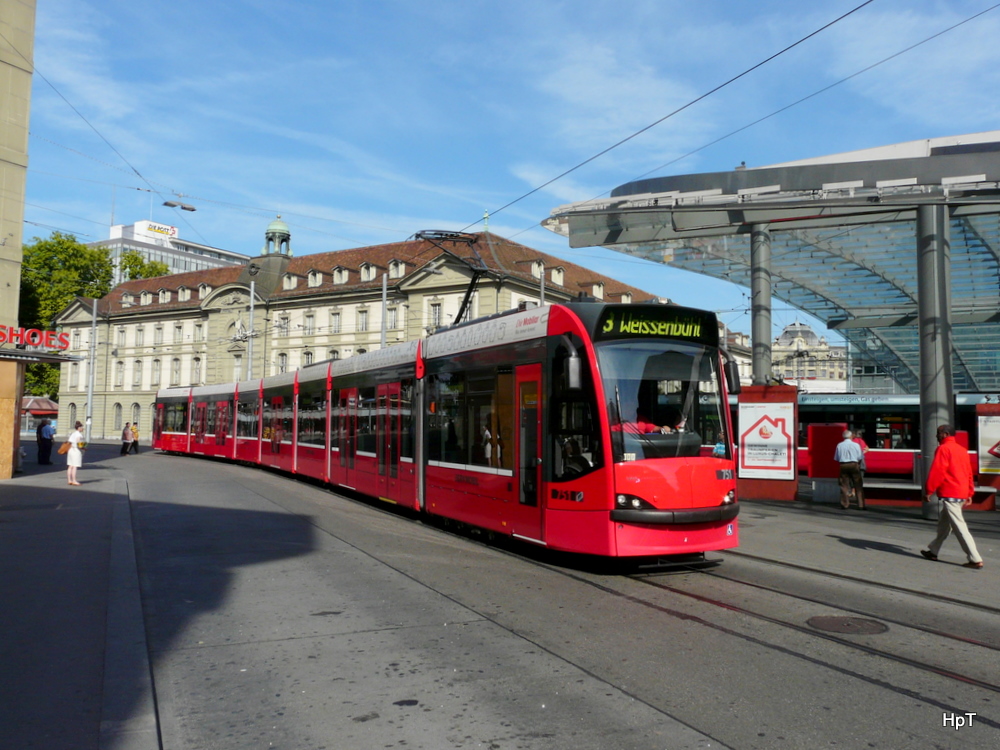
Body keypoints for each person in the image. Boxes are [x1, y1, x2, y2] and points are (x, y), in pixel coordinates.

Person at [920, 424, 984, 569]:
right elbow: (968, 472)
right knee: (944, 524)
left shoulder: (943, 449)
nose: (936, 436)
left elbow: (938, 471)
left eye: (938, 433)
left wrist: (929, 490)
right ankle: (933, 550)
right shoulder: (962, 450)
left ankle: (975, 558)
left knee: (959, 526)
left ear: (945, 434)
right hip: (961, 492)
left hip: (950, 492)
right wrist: (970, 492)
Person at [834, 429, 865, 509]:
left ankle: (845, 504)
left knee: (844, 485)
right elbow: (860, 457)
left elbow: (836, 458)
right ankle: (861, 505)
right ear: (851, 436)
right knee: (858, 485)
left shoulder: (839, 445)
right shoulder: (856, 445)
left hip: (843, 465)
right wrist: (857, 464)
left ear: (843, 437)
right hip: (854, 465)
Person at [66, 420, 85, 486]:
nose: (83, 429)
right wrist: (84, 447)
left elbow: (70, 442)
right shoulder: (79, 435)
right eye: (82, 427)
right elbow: (79, 444)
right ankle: (74, 480)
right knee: (74, 466)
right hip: (76, 451)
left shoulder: (73, 433)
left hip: (71, 450)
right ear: (79, 428)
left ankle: (69, 480)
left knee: (70, 466)